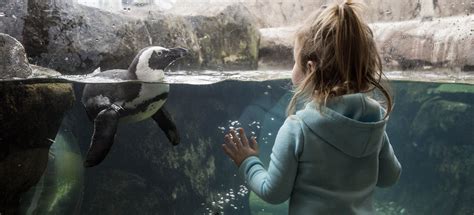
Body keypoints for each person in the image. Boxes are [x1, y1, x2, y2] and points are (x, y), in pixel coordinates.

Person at [221, 1, 402, 214]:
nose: (292, 68)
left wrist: (248, 162)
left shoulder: (298, 128)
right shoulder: (374, 121)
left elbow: (274, 192)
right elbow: (390, 176)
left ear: (310, 69)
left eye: (294, 61)